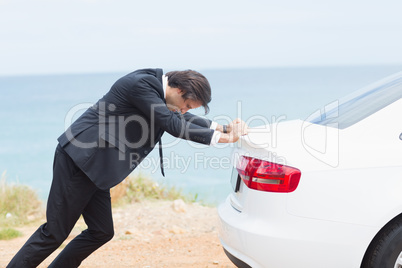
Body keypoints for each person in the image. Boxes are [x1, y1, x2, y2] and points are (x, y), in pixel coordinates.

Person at [7, 68, 248, 268]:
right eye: (185, 104)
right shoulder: (142, 85)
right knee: (54, 232)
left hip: (98, 168)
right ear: (178, 90)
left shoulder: (159, 95)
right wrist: (225, 139)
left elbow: (178, 118)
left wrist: (222, 128)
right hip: (80, 161)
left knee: (101, 231)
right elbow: (171, 122)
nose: (184, 111)